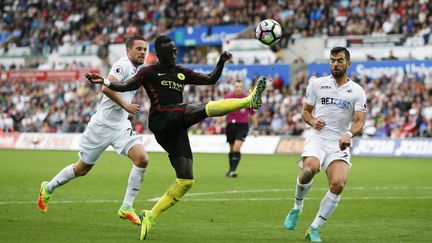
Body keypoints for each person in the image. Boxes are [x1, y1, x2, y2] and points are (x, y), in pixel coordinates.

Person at [85, 35, 267, 240]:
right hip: (162, 119)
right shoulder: (149, 71)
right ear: (160, 54)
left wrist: (221, 62)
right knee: (203, 108)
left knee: (186, 180)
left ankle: (151, 216)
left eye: (175, 50)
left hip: (175, 127)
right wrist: (105, 80)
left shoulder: (180, 72)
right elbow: (126, 85)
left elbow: (210, 79)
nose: (174, 53)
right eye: (171, 51)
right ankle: (248, 101)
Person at [38, 36, 150, 225]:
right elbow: (106, 88)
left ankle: (126, 207)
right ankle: (48, 188)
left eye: (144, 49)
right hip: (102, 125)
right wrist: (126, 106)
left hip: (121, 125)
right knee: (82, 169)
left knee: (142, 158)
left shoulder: (138, 70)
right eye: (138, 49)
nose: (142, 52)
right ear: (128, 51)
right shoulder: (122, 65)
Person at [283, 47, 366, 242]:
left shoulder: (357, 91)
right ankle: (297, 207)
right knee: (309, 169)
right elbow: (305, 112)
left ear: (348, 63)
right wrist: (312, 122)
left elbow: (360, 122)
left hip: (339, 143)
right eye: (332, 60)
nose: (335, 64)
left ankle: (313, 228)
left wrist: (348, 133)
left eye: (339, 60)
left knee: (338, 184)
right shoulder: (317, 84)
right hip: (318, 138)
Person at [224, 80, 258, 178]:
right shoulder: (228, 97)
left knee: (237, 147)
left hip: (242, 126)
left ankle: (233, 170)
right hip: (230, 125)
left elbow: (253, 114)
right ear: (234, 87)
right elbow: (222, 109)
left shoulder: (247, 98)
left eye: (240, 86)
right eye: (236, 86)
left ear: (242, 87)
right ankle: (230, 170)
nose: (238, 88)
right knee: (231, 148)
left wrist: (255, 128)